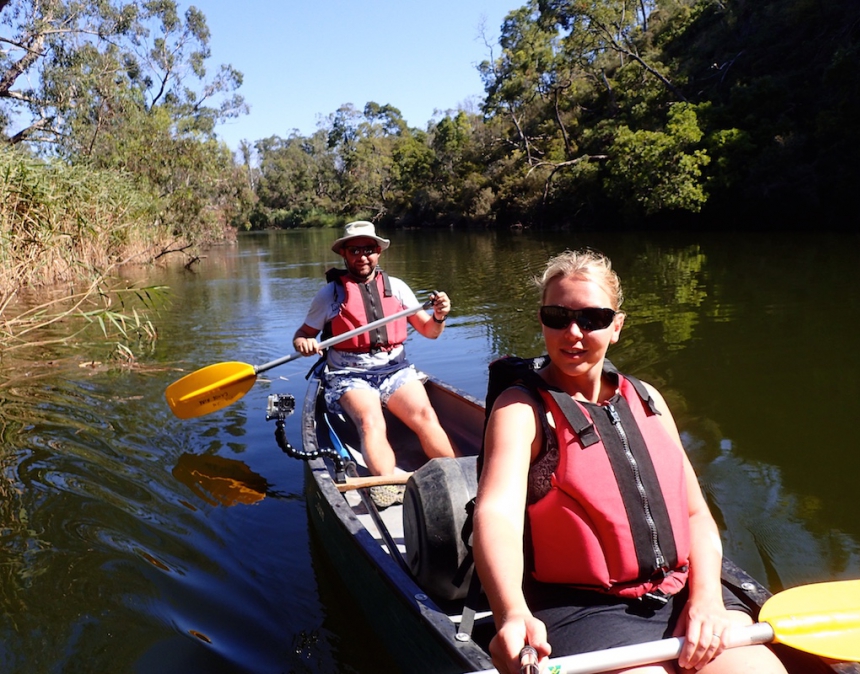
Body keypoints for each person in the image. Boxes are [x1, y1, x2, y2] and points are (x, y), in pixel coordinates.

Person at [472, 250, 788, 674]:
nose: (573, 333)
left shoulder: (649, 399)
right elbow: (498, 515)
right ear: (541, 320)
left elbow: (695, 513)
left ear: (616, 326)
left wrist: (707, 598)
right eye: (557, 316)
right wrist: (511, 612)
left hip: (683, 592)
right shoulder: (521, 409)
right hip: (584, 609)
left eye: (593, 318)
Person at [292, 221, 455, 506]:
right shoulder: (329, 295)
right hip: (350, 373)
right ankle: (388, 486)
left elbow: (430, 331)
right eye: (355, 249)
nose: (362, 256)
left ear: (378, 252)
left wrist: (439, 316)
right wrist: (304, 344)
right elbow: (303, 335)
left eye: (369, 249)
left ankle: (455, 475)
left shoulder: (399, 289)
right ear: (344, 254)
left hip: (395, 369)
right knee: (371, 422)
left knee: (425, 416)